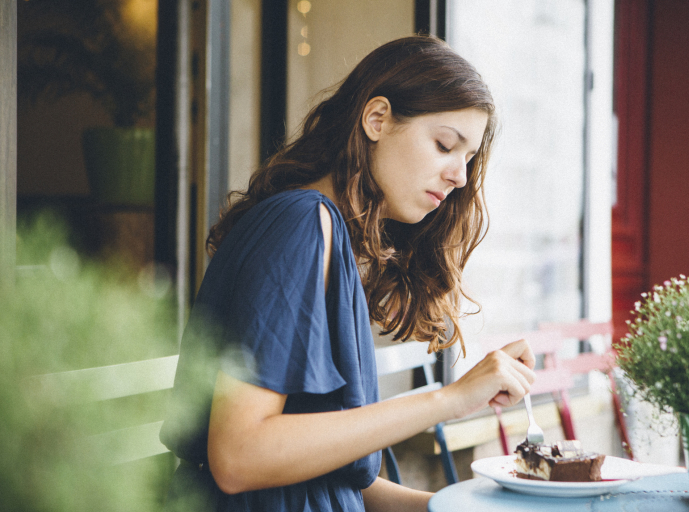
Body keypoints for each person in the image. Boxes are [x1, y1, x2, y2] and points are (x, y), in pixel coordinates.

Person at [160, 35, 536, 512]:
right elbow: (238, 457)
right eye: (445, 145)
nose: (460, 177)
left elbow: (335, 482)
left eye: (468, 159)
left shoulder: (329, 233)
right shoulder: (301, 224)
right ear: (377, 119)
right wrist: (450, 399)